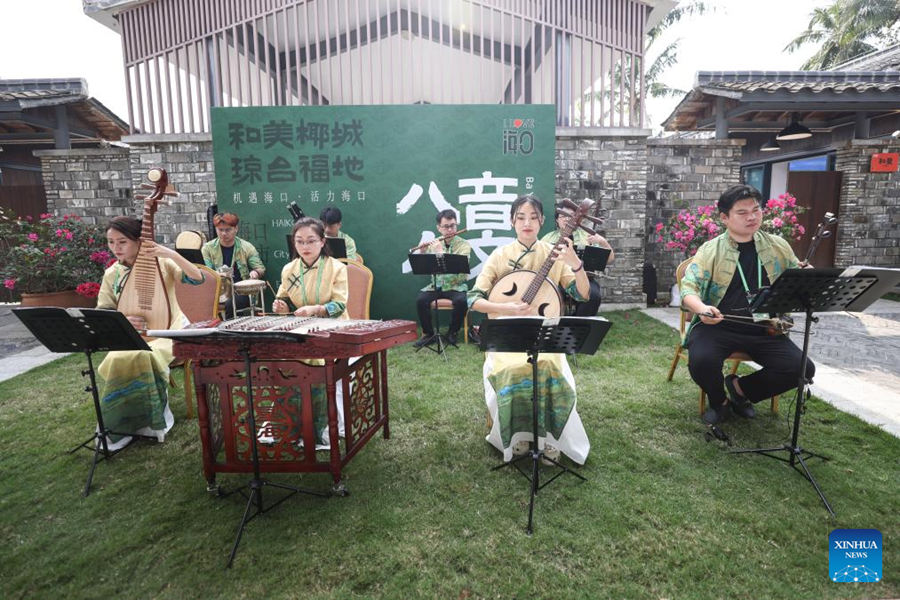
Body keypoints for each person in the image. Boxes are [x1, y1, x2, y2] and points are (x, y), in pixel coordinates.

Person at [468, 195, 592, 464]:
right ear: (512, 221)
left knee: (550, 367)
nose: (527, 223)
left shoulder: (553, 253)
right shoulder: (500, 255)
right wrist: (508, 308)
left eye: (533, 217)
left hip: (544, 330)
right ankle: (518, 436)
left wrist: (576, 263)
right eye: (521, 217)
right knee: (513, 369)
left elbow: (582, 295)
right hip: (507, 331)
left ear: (542, 221)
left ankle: (548, 439)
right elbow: (473, 299)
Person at [680, 184, 816, 425]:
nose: (752, 217)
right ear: (724, 218)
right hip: (718, 326)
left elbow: (796, 277)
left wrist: (807, 278)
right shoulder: (711, 250)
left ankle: (741, 390)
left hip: (765, 327)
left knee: (802, 368)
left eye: (756, 210)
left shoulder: (778, 246)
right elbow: (688, 289)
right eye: (742, 212)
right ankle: (719, 401)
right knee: (701, 360)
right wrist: (702, 309)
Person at [96, 216, 204, 449]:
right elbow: (103, 311)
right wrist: (122, 318)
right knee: (118, 356)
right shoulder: (112, 274)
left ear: (139, 241)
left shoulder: (161, 263)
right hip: (132, 336)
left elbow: (197, 278)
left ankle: (155, 419)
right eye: (111, 242)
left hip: (169, 331)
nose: (116, 248)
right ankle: (121, 423)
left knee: (147, 355)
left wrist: (170, 254)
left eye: (122, 242)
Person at [272, 217, 349, 447]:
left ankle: (320, 429)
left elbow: (339, 305)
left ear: (322, 241)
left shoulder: (337, 268)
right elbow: (282, 298)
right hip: (300, 329)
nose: (305, 247)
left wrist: (316, 309)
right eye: (299, 241)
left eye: (311, 241)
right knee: (283, 364)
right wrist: (281, 307)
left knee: (317, 364)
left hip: (333, 329)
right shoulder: (289, 269)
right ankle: (291, 424)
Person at [540, 203, 615, 316]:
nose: (567, 219)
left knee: (593, 295)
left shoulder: (587, 236)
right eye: (563, 216)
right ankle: (555, 324)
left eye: (571, 216)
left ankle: (579, 325)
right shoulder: (547, 238)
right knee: (551, 294)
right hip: (557, 278)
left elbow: (609, 259)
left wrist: (603, 242)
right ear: (557, 220)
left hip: (584, 278)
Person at [413, 209, 471, 347]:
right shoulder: (434, 244)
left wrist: (440, 252)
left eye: (453, 225)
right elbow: (424, 266)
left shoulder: (464, 245)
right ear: (439, 228)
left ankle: (452, 332)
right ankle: (428, 334)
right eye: (446, 226)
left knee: (462, 301)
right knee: (421, 300)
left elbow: (460, 270)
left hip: (456, 285)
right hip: (436, 285)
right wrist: (422, 251)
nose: (450, 229)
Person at [200, 212, 265, 318]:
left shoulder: (246, 247)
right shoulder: (208, 248)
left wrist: (255, 272)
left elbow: (260, 268)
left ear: (236, 229)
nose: (224, 233)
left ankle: (230, 330)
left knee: (230, 304)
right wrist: (218, 275)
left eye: (228, 230)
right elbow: (205, 271)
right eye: (220, 230)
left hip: (241, 292)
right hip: (217, 291)